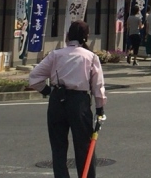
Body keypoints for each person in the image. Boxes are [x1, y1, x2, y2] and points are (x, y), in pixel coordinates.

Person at [27, 20, 106, 178]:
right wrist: (100, 109)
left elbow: (34, 77)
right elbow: (98, 86)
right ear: (86, 37)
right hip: (79, 102)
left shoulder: (56, 55)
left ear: (68, 36)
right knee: (84, 146)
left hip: (57, 100)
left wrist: (48, 91)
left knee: (58, 147)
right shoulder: (90, 57)